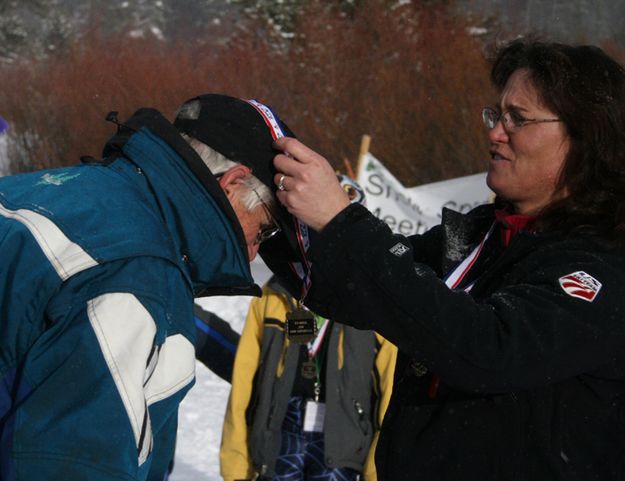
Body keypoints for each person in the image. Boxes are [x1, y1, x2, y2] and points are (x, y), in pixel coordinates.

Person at [265, 39, 625, 481]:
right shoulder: (482, 235)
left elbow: (487, 347)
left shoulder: (605, 261)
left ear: (585, 137)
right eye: (497, 115)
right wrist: (266, 204)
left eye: (519, 119)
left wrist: (342, 219)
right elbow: (357, 285)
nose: (496, 132)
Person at [0, 94, 304, 481]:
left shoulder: (35, 190)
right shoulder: (140, 274)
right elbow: (74, 465)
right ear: (232, 184)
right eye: (265, 229)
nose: (253, 254)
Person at [220, 275, 396, 481]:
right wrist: (236, 460)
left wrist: (379, 468)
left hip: (345, 438)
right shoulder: (274, 293)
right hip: (278, 435)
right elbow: (244, 381)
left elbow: (391, 390)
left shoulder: (372, 301)